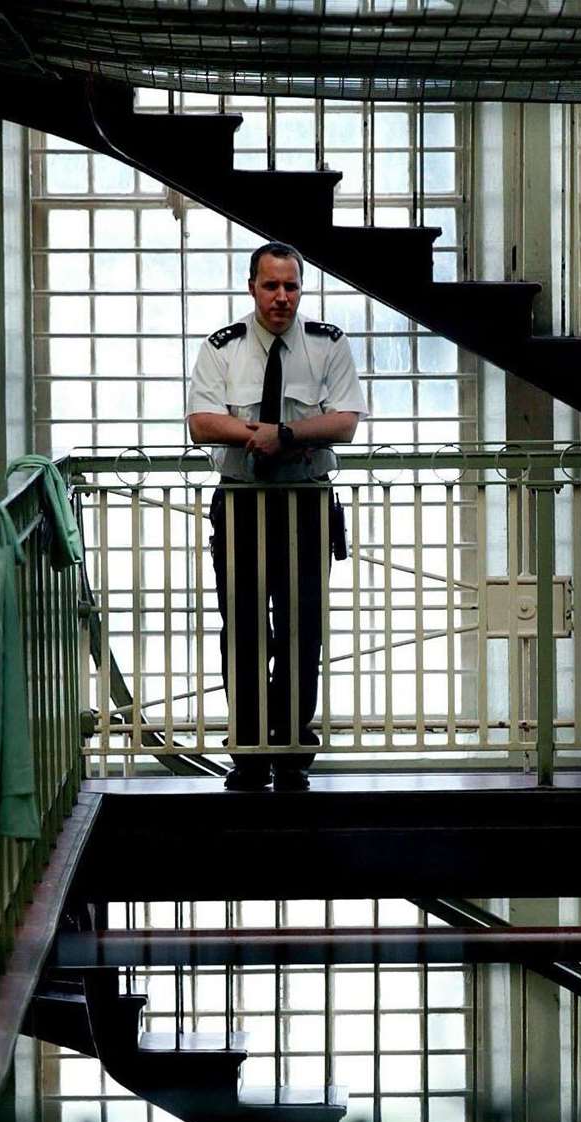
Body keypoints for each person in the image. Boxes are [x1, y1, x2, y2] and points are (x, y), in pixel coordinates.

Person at [186, 241, 367, 790]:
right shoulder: (224, 348)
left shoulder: (327, 345)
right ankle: (248, 748)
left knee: (300, 628)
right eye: (271, 286)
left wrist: (284, 434)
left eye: (291, 286)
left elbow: (345, 423)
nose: (281, 298)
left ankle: (290, 744)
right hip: (241, 504)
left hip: (305, 503)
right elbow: (201, 423)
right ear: (252, 288)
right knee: (242, 627)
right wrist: (257, 436)